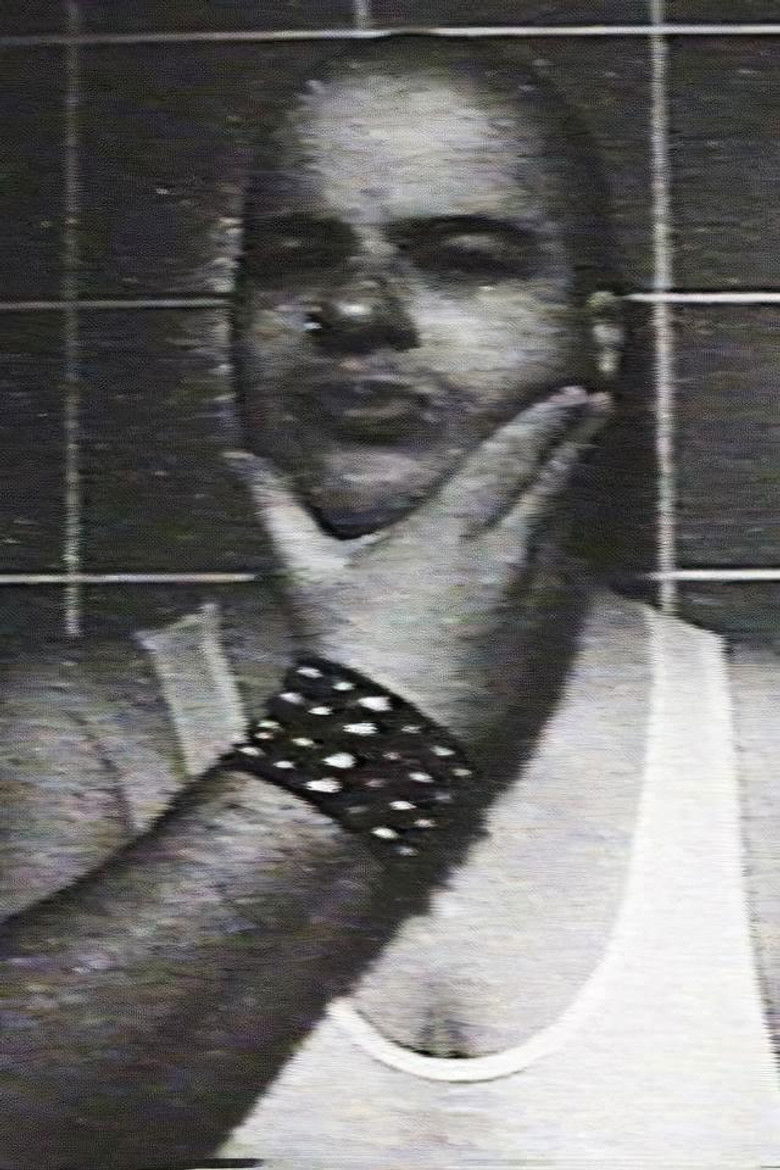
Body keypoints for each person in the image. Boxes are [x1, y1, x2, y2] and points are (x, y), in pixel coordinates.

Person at [0, 34, 777, 1170]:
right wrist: (369, 720)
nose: (356, 310)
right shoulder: (70, 738)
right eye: (296, 258)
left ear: (597, 339)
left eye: (462, 260)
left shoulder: (763, 753)